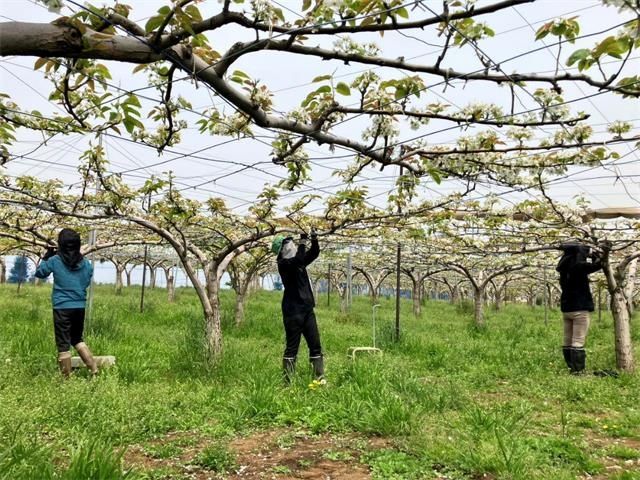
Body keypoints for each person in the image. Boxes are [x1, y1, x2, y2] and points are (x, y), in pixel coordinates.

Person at [35, 228, 97, 377]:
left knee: (63, 344)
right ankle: (94, 370)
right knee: (77, 339)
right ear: (77, 244)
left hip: (62, 307)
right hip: (79, 306)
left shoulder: (55, 260)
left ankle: (66, 379)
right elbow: (87, 279)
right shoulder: (86, 263)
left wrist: (47, 256)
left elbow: (40, 273)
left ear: (60, 244)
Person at [272, 230, 324, 384]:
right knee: (292, 348)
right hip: (293, 312)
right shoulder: (284, 264)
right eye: (288, 244)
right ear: (282, 250)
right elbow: (299, 258)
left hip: (307, 310)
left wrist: (314, 238)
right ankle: (287, 382)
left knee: (315, 345)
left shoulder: (298, 262)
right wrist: (302, 242)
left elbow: (314, 253)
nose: (292, 246)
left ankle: (319, 379)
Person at [556, 242, 603, 374]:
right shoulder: (579, 267)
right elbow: (598, 265)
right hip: (580, 309)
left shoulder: (563, 268)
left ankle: (571, 367)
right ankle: (577, 371)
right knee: (578, 340)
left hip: (567, 309)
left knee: (567, 338)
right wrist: (595, 255)